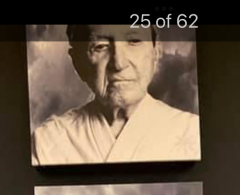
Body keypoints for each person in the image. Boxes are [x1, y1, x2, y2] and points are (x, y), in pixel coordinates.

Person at [32, 23, 200, 165]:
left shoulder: (191, 132)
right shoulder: (47, 143)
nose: (118, 63)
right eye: (100, 46)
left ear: (156, 51)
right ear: (78, 63)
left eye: (134, 41)